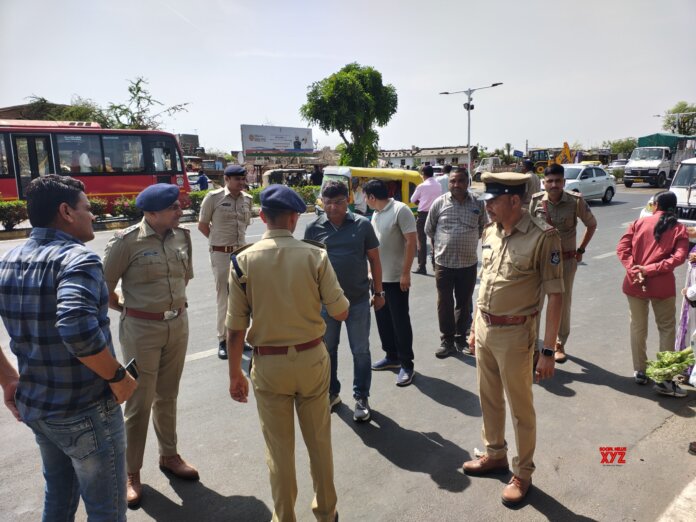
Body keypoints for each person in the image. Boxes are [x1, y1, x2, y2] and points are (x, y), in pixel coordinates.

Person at [0, 174, 138, 520]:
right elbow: (75, 328)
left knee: (59, 500)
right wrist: (118, 377)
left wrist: (8, 379)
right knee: (107, 511)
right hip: (85, 410)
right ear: (66, 212)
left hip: (38, 406)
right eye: (87, 208)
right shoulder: (78, 259)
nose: (92, 215)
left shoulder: (8, 260)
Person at [226, 184, 349, 522]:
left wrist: (235, 374)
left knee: (278, 452)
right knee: (319, 443)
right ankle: (326, 512)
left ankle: (284, 516)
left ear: (262, 217)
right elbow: (340, 312)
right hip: (311, 359)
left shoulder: (242, 261)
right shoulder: (315, 255)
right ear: (295, 218)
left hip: (269, 364)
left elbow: (235, 329)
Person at [462, 172, 563, 507]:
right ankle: (495, 454)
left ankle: (523, 472)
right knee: (488, 398)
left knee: (521, 408)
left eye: (493, 200)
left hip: (517, 334)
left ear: (515, 200)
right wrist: (475, 326)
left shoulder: (543, 237)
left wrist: (547, 350)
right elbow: (484, 283)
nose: (487, 206)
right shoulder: (490, 231)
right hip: (486, 328)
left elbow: (556, 295)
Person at [103, 183, 198, 508]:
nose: (179, 211)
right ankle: (131, 472)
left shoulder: (182, 237)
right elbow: (104, 288)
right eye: (173, 207)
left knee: (168, 395)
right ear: (152, 213)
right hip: (141, 329)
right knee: (139, 401)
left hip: (177, 324)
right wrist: (133, 311)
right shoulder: (126, 242)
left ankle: (169, 455)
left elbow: (184, 279)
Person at [305, 181, 384, 421]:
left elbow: (375, 260)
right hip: (326, 304)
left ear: (347, 200)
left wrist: (379, 293)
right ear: (322, 202)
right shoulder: (313, 229)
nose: (333, 207)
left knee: (360, 351)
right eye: (328, 202)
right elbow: (307, 266)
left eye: (338, 202)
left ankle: (361, 397)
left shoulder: (362, 225)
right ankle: (332, 393)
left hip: (357, 301)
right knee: (327, 350)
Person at [617, 191, 689, 397]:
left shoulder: (638, 223)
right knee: (666, 328)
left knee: (637, 327)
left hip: (635, 283)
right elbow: (679, 258)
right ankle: (664, 379)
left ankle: (640, 371)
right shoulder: (679, 229)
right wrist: (651, 269)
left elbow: (622, 249)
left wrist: (636, 270)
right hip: (662, 285)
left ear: (655, 205)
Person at [529, 163, 597, 362]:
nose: (554, 185)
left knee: (563, 303)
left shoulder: (575, 201)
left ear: (564, 182)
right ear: (544, 183)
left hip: (566, 261)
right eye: (549, 181)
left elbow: (592, 224)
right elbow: (528, 229)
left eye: (558, 181)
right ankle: (534, 347)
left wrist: (581, 250)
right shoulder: (536, 201)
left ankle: (559, 343)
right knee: (535, 304)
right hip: (540, 262)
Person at [425, 166, 487, 358]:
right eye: (453, 181)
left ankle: (461, 338)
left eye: (460, 180)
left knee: (464, 302)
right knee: (444, 302)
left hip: (468, 263)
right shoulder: (439, 203)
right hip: (444, 263)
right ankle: (447, 340)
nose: (456, 184)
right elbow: (429, 229)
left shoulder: (478, 203)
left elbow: (483, 228)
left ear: (468, 182)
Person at [365, 179, 418, 386]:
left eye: (365, 196)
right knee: (383, 320)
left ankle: (406, 364)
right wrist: (370, 271)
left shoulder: (400, 210)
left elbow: (411, 241)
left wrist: (406, 273)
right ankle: (391, 356)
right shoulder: (376, 214)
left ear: (371, 197)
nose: (364, 200)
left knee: (400, 321)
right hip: (379, 279)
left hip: (396, 279)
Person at [198, 165, 254, 359]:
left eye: (243, 178)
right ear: (226, 179)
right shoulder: (213, 198)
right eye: (237, 179)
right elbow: (203, 225)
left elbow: (244, 226)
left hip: (242, 254)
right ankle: (223, 340)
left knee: (243, 298)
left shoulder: (247, 199)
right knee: (224, 298)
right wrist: (217, 243)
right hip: (221, 255)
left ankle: (240, 338)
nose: (241, 182)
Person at [411, 164, 443, 275]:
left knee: (421, 241)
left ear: (423, 174)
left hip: (423, 215)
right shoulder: (438, 185)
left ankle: (422, 266)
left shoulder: (422, 186)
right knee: (435, 240)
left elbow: (412, 199)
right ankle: (435, 265)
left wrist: (421, 202)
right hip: (436, 214)